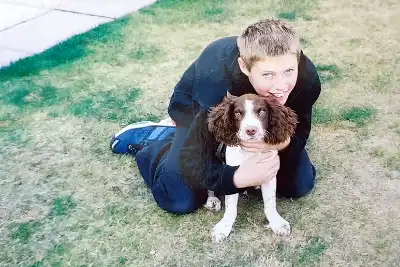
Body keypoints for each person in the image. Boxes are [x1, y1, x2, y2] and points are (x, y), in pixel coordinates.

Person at [110, 19, 321, 214]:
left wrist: (283, 144)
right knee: (179, 199)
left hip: (257, 124)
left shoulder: (306, 79)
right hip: (199, 115)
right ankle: (162, 141)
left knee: (299, 184)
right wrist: (235, 178)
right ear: (244, 67)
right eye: (267, 75)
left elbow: (300, 132)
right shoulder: (216, 81)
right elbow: (194, 155)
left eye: (288, 72)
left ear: (298, 59)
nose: (281, 87)